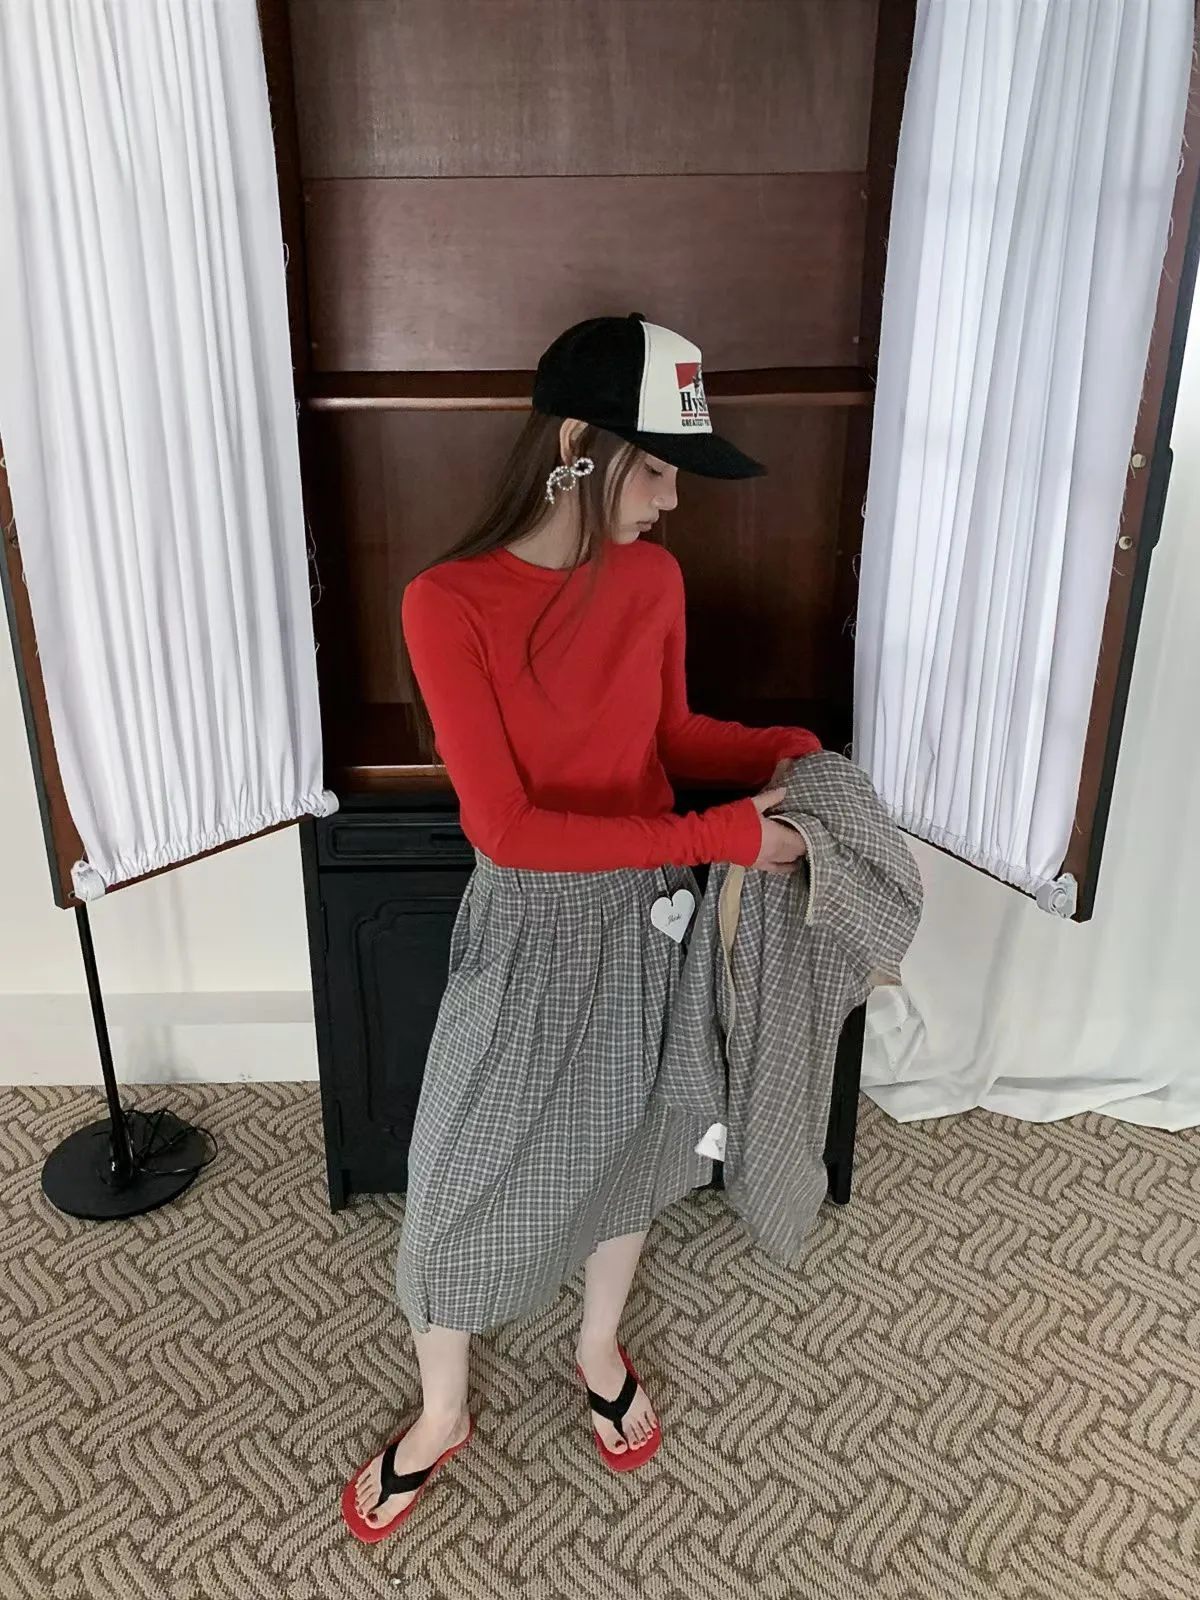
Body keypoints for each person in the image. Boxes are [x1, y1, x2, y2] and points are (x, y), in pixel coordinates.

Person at [342, 314, 819, 1542]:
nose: (672, 501)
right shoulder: (447, 603)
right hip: (533, 924)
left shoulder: (653, 580)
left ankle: (599, 1348)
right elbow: (507, 829)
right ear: (575, 447)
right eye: (656, 469)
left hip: (650, 918)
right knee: (457, 1170)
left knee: (635, 1147)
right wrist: (722, 835)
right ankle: (442, 1408)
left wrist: (785, 753)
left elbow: (670, 738)